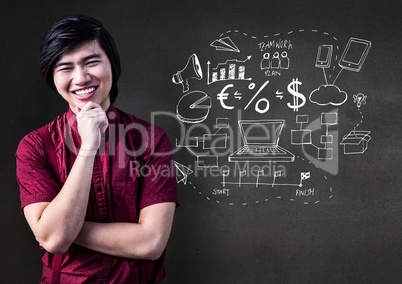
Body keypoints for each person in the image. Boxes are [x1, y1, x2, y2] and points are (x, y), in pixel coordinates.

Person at [16, 14, 178, 283]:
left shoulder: (151, 139)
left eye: (91, 62)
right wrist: (88, 147)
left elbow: (151, 243)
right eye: (65, 68)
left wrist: (63, 229)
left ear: (111, 64)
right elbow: (55, 241)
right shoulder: (35, 146)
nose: (80, 78)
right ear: (52, 77)